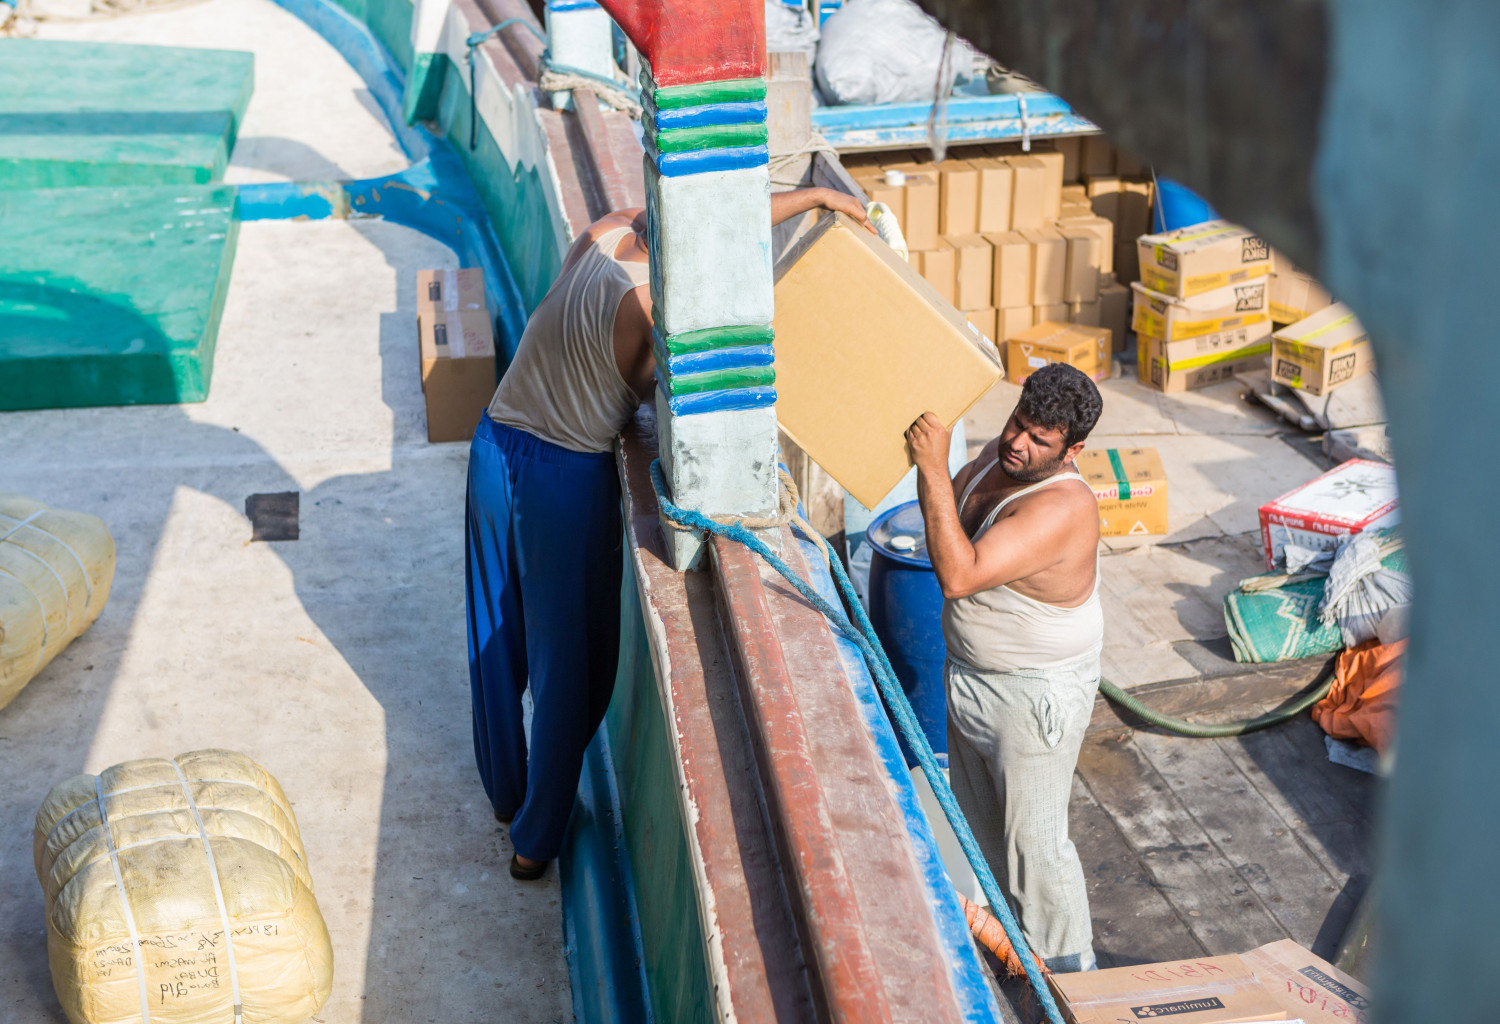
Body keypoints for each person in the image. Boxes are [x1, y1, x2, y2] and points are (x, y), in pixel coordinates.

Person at [468, 187, 872, 880]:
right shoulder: (655, 309)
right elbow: (702, 384)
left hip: (494, 443)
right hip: (563, 474)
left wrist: (811, 196)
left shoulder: (604, 232)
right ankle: (534, 843)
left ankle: (507, 794)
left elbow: (715, 209)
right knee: (577, 667)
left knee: (494, 636)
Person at [904, 363, 1104, 972]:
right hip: (972, 676)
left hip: (1031, 697)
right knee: (984, 837)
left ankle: (1076, 983)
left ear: (1073, 451)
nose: (1019, 442)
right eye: (1019, 423)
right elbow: (945, 520)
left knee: (1037, 853)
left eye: (1041, 439)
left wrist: (934, 467)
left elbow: (958, 573)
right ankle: (1017, 960)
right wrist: (934, 471)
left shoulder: (1062, 506)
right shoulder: (1001, 456)